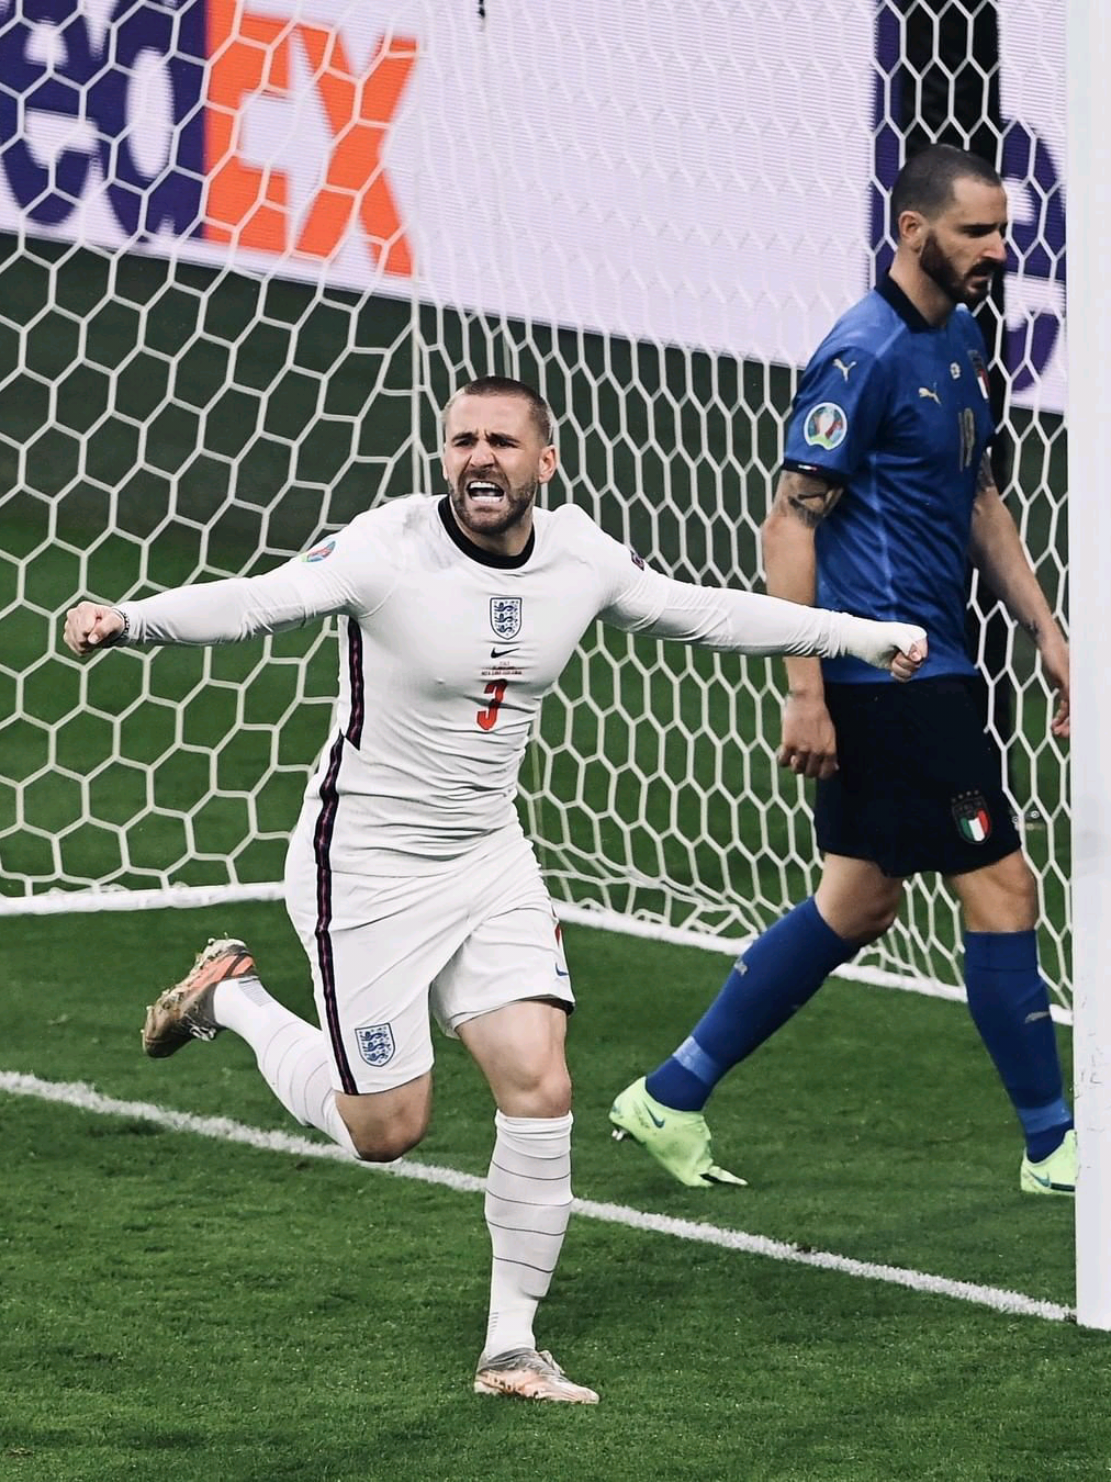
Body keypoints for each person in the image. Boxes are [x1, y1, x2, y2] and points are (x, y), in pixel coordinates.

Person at [63, 376, 926, 1404]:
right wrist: (130, 620)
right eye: (463, 440)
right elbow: (255, 601)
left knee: (539, 1082)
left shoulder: (581, 556)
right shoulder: (384, 548)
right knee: (387, 1131)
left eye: (503, 442)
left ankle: (510, 1348)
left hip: (486, 857)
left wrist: (854, 634)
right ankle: (234, 996)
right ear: (443, 457)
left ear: (543, 463)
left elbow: (698, 614)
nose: (481, 457)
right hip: (367, 867)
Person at [610, 144, 1075, 1198]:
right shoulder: (859, 355)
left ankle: (672, 1093)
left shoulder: (963, 340)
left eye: (1002, 231)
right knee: (1000, 883)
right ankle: (1053, 1146)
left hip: (939, 665)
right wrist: (806, 683)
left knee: (860, 900)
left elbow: (979, 499)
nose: (998, 251)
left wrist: (1048, 632)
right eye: (975, 233)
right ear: (913, 232)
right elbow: (788, 522)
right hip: (886, 675)